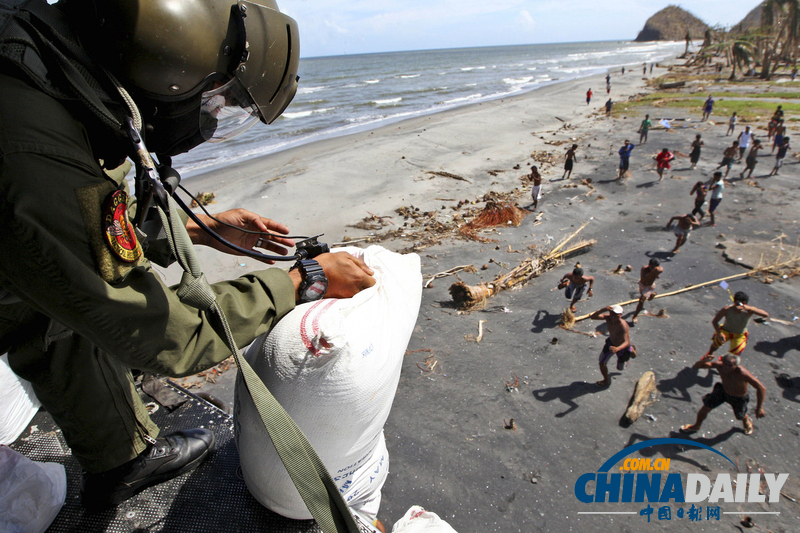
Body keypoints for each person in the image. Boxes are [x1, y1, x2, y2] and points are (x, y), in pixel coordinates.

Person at [0, 0, 376, 511]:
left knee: (58, 305)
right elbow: (162, 333)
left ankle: (121, 460)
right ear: (166, 67)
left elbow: (81, 225)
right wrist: (302, 281)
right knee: (74, 310)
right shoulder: (30, 144)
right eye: (215, 97)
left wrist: (196, 227)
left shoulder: (54, 68)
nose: (212, 114)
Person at [680, 355, 766, 436]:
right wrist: (703, 361)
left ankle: (746, 419)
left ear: (736, 365)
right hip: (722, 391)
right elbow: (697, 366)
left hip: (738, 397)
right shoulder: (719, 366)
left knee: (740, 415)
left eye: (729, 365)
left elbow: (761, 387)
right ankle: (696, 426)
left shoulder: (742, 373)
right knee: (705, 408)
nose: (725, 367)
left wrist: (759, 408)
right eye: (724, 364)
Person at [703, 291, 769, 359]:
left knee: (735, 353)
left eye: (743, 304)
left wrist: (750, 308)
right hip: (725, 330)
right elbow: (715, 321)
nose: (740, 307)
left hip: (740, 335)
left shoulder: (749, 311)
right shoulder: (727, 309)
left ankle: (724, 362)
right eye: (738, 303)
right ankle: (710, 353)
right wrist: (719, 333)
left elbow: (765, 315)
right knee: (717, 342)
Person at [590, 305, 636, 387]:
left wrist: (617, 348)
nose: (614, 316)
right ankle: (606, 380)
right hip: (610, 344)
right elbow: (593, 317)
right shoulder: (608, 318)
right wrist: (603, 309)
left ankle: (631, 350)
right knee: (602, 363)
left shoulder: (623, 325)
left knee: (620, 368)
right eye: (612, 314)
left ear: (620, 315)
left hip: (621, 347)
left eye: (616, 315)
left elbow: (627, 341)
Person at [631, 258, 663, 323]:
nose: (652, 268)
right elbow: (645, 279)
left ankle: (634, 316)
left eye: (654, 268)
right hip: (642, 285)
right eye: (651, 267)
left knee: (641, 300)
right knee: (645, 297)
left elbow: (660, 270)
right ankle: (651, 296)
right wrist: (653, 272)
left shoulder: (657, 269)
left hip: (649, 287)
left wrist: (656, 272)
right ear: (649, 265)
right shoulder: (644, 269)